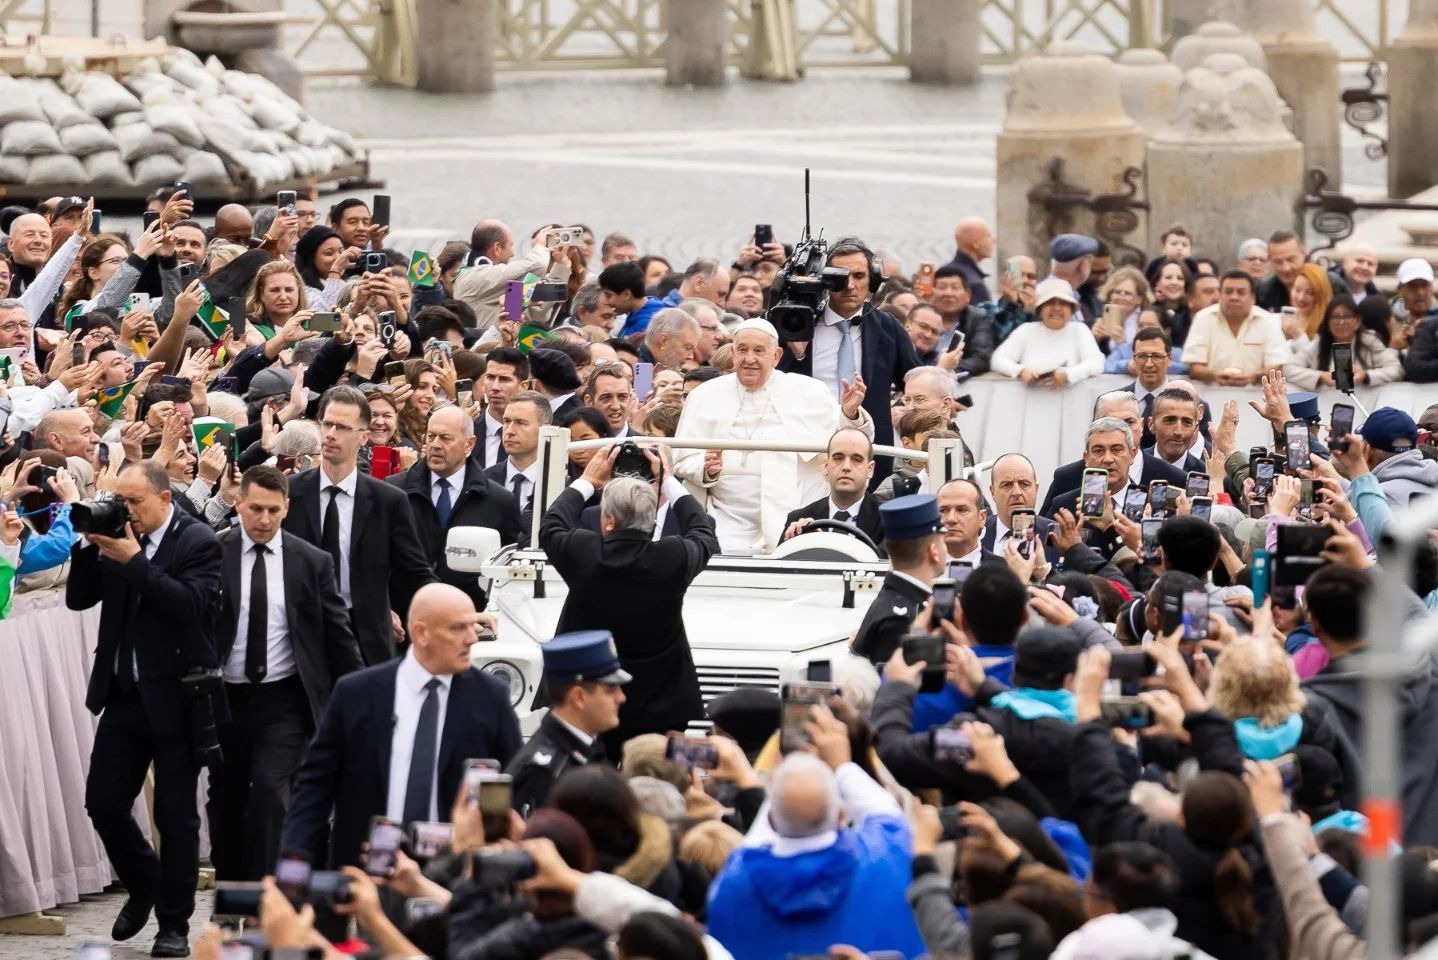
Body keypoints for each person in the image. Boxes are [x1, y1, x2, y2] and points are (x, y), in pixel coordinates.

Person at [66, 459, 223, 958]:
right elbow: (77, 600)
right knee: (104, 802)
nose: (125, 510)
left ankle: (173, 924)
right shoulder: (115, 537)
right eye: (120, 500)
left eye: (133, 502)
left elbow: (187, 606)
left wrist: (133, 560)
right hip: (125, 695)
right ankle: (144, 882)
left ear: (164, 499)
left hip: (180, 697)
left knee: (177, 818)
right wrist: (89, 542)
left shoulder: (197, 541)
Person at [280, 582, 522, 868]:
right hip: (369, 869)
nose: (471, 638)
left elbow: (515, 782)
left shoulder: (490, 698)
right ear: (421, 633)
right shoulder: (358, 694)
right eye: (458, 628)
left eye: (474, 627)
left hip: (455, 874)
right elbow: (315, 784)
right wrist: (293, 860)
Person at [208, 465, 363, 882]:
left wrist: (364, 699)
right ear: (238, 503)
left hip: (284, 700)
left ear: (287, 508)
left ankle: (264, 896)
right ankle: (230, 889)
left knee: (271, 794)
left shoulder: (311, 562)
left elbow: (337, 636)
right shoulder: (213, 552)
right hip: (224, 699)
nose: (263, 519)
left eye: (273, 510)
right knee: (226, 798)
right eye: (255, 508)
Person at [706, 711, 926, 960]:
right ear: (841, 813)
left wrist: (774, 778)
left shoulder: (734, 885)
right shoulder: (886, 856)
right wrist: (842, 766)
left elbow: (749, 848)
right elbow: (888, 814)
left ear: (771, 818)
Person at [540, 443, 718, 748]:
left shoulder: (584, 553)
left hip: (591, 698)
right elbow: (703, 532)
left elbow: (552, 525)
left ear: (608, 520)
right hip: (662, 703)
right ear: (651, 520)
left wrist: (588, 480)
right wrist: (670, 480)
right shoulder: (672, 557)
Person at [673, 317, 872, 554]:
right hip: (726, 515)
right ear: (733, 353)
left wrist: (849, 413)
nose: (749, 359)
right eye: (742, 350)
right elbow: (682, 456)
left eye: (759, 351)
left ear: (776, 356)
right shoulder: (704, 395)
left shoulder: (809, 391)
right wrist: (703, 466)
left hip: (795, 510)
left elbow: (845, 442)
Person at [281, 385, 437, 666]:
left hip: (365, 638)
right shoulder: (290, 493)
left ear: (364, 437)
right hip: (298, 635)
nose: (330, 434)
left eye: (342, 427)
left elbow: (415, 572)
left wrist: (455, 612)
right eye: (327, 424)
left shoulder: (388, 501)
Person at [1302, 565, 1438, 845]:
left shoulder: (1311, 708)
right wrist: (1364, 564)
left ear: (1314, 624)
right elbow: (1417, 617)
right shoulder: (1428, 671)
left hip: (1371, 866)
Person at [778, 238, 919, 483]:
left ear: (872, 281)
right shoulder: (795, 322)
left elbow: (915, 381)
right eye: (840, 277)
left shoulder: (887, 327)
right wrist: (796, 353)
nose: (850, 285)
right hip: (807, 448)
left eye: (859, 276)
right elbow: (769, 382)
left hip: (869, 449)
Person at [389, 406, 523, 609]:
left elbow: (508, 570)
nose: (435, 445)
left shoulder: (499, 501)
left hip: (471, 621)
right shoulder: (394, 492)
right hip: (407, 618)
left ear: (469, 444)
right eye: (431, 436)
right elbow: (377, 560)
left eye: (445, 438)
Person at [505, 630, 632, 815]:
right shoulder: (544, 771)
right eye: (610, 690)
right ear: (579, 697)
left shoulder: (586, 746)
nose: (621, 698)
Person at [1040, 393, 1186, 517]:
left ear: (1142, 426)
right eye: (1110, 422)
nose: (1120, 429)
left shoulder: (1174, 478)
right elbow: (1044, 532)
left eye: (1129, 422)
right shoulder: (1067, 478)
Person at [851, 494, 947, 664]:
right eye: (943, 541)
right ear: (934, 552)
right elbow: (897, 685)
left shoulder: (895, 599)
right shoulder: (902, 619)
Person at [453, 220, 570, 330]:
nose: (513, 254)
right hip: (481, 348)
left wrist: (560, 267)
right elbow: (537, 265)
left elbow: (535, 314)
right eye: (511, 245)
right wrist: (539, 246)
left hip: (499, 346)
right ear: (497, 248)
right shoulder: (475, 277)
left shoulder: (493, 285)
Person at [988, 278, 1105, 387]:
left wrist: (1069, 375)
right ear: (1040, 309)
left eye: (1063, 304)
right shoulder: (1026, 330)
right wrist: (1020, 371)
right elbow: (998, 359)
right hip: (1029, 402)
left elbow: (1096, 362)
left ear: (1071, 310)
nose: (1057, 309)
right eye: (1050, 303)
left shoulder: (1080, 330)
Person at [781, 427, 884, 549]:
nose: (846, 467)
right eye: (838, 458)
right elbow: (780, 566)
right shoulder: (799, 520)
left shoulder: (890, 521)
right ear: (826, 466)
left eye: (856, 460)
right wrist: (800, 543)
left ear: (870, 469)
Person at [1182, 271, 1288, 386]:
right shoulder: (1203, 318)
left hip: (1257, 395)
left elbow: (1276, 366)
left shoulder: (1269, 321)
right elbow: (1194, 367)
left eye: (1241, 292)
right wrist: (1214, 375)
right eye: (1228, 292)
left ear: (1253, 298)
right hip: (1211, 393)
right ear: (1220, 296)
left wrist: (1254, 377)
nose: (1234, 297)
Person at [1284, 293, 1404, 391]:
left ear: (1357, 321)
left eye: (1346, 316)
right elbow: (1288, 368)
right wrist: (1319, 376)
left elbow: (1396, 369)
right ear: (1328, 321)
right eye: (1336, 317)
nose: (1341, 322)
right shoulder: (1319, 344)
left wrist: (1366, 376)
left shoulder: (1369, 341)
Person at [484, 389, 551, 513]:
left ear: (545, 430)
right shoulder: (483, 481)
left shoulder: (559, 481)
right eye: (507, 421)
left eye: (521, 423)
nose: (509, 431)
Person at [1357, 407, 1438, 508]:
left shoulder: (1377, 500)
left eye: (1434, 428)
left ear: (1367, 450)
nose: (1424, 433)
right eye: (1418, 428)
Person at [475, 346, 527, 468]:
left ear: (523, 386)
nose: (495, 387)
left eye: (504, 379)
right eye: (490, 378)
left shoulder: (536, 436)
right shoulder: (467, 432)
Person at [938, 477, 1002, 569]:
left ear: (982, 518)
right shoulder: (917, 570)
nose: (951, 519)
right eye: (943, 510)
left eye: (962, 510)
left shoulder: (1001, 570)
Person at [1145, 386, 1206, 473]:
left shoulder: (1207, 474)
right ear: (1151, 425)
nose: (1178, 432)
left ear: (1195, 428)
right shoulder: (1132, 466)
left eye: (1187, 422)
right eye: (1169, 421)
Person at [946, 216, 995, 304]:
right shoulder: (975, 285)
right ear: (975, 244)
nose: (994, 240)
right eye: (988, 236)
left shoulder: (941, 274)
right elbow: (985, 317)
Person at [1254, 230, 1306, 312]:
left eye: (1290, 260)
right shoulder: (1262, 295)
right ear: (1269, 260)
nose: (1286, 268)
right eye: (1278, 262)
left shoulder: (1327, 286)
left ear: (1303, 254)